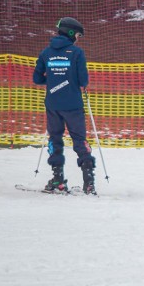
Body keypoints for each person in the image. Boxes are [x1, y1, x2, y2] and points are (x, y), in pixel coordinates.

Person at [33, 17, 98, 194]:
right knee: (79, 139)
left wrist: (54, 80)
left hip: (53, 104)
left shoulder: (46, 52)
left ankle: (58, 180)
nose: (78, 38)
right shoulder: (76, 53)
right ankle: (89, 181)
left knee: (55, 139)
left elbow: (37, 78)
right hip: (73, 105)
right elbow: (83, 80)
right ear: (70, 33)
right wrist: (69, 81)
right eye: (77, 35)